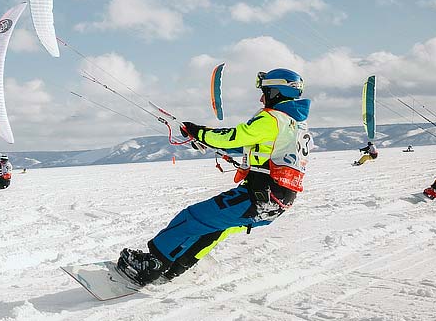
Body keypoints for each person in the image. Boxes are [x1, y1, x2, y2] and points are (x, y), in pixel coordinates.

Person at [115, 68, 312, 287]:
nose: (261, 97)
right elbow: (253, 147)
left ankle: (151, 265)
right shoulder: (297, 125)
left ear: (276, 92)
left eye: (265, 91)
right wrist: (207, 141)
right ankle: (172, 269)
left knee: (194, 217)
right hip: (279, 200)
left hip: (260, 196)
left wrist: (198, 131)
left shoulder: (273, 119)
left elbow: (234, 136)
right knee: (214, 227)